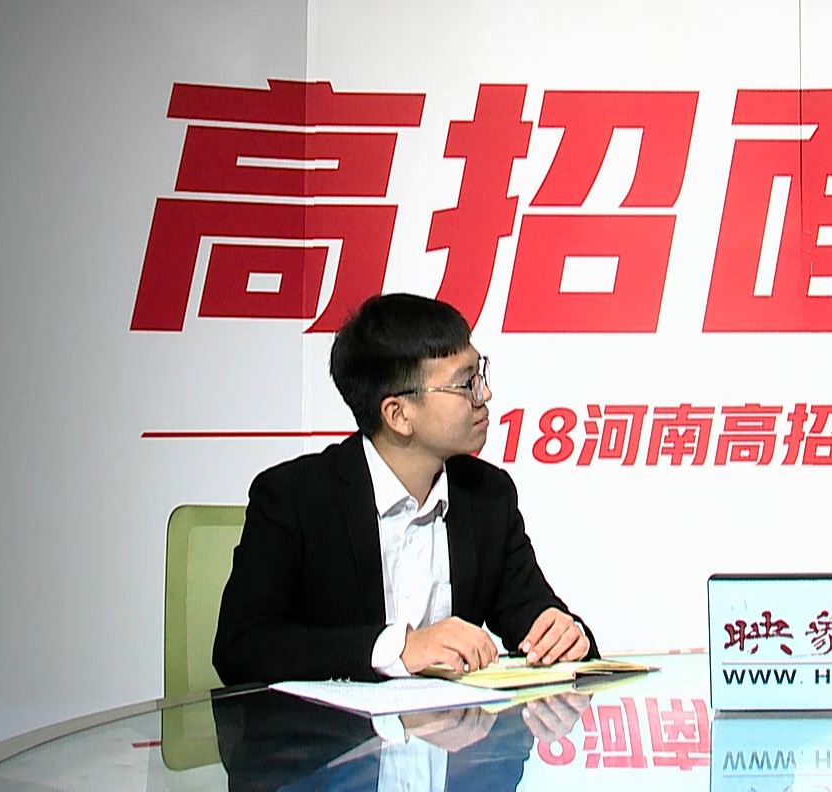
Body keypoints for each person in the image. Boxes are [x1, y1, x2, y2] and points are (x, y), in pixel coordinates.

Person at [213, 292, 594, 685]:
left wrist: (565, 636)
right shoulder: (295, 498)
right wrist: (397, 648)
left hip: (458, 724)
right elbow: (240, 647)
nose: (484, 395)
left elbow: (537, 617)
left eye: (479, 375)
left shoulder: (488, 496)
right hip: (334, 725)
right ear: (398, 414)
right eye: (466, 383)